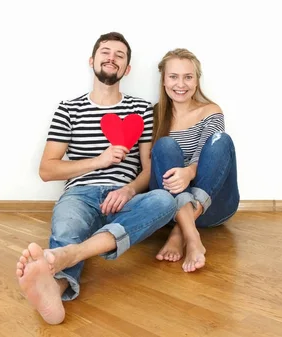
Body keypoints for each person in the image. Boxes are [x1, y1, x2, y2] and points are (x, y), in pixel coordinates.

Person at [15, 32, 177, 325]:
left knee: (165, 200)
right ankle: (56, 288)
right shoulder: (69, 109)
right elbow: (47, 170)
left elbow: (148, 169)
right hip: (80, 194)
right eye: (105, 52)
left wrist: (129, 190)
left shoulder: (140, 109)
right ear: (92, 61)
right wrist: (99, 161)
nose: (111, 58)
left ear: (127, 69)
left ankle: (72, 254)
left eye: (119, 55)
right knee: (68, 227)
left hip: (125, 198)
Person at [149, 48, 240, 273]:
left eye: (188, 77)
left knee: (221, 141)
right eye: (173, 77)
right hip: (169, 207)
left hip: (214, 208)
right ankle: (189, 233)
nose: (181, 84)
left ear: (197, 81)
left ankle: (181, 233)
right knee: (165, 145)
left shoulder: (210, 111)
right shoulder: (154, 115)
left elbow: (208, 158)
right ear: (163, 80)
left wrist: (189, 172)